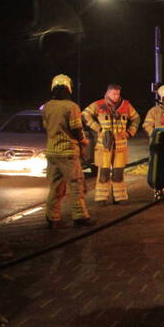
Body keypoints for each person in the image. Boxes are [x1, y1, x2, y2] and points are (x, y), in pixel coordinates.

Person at [41, 74, 94, 228]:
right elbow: (76, 128)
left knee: (55, 186)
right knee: (76, 185)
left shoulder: (47, 106)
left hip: (52, 152)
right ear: (68, 88)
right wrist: (83, 141)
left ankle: (52, 218)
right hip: (68, 152)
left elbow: (46, 126)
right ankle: (80, 217)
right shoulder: (71, 107)